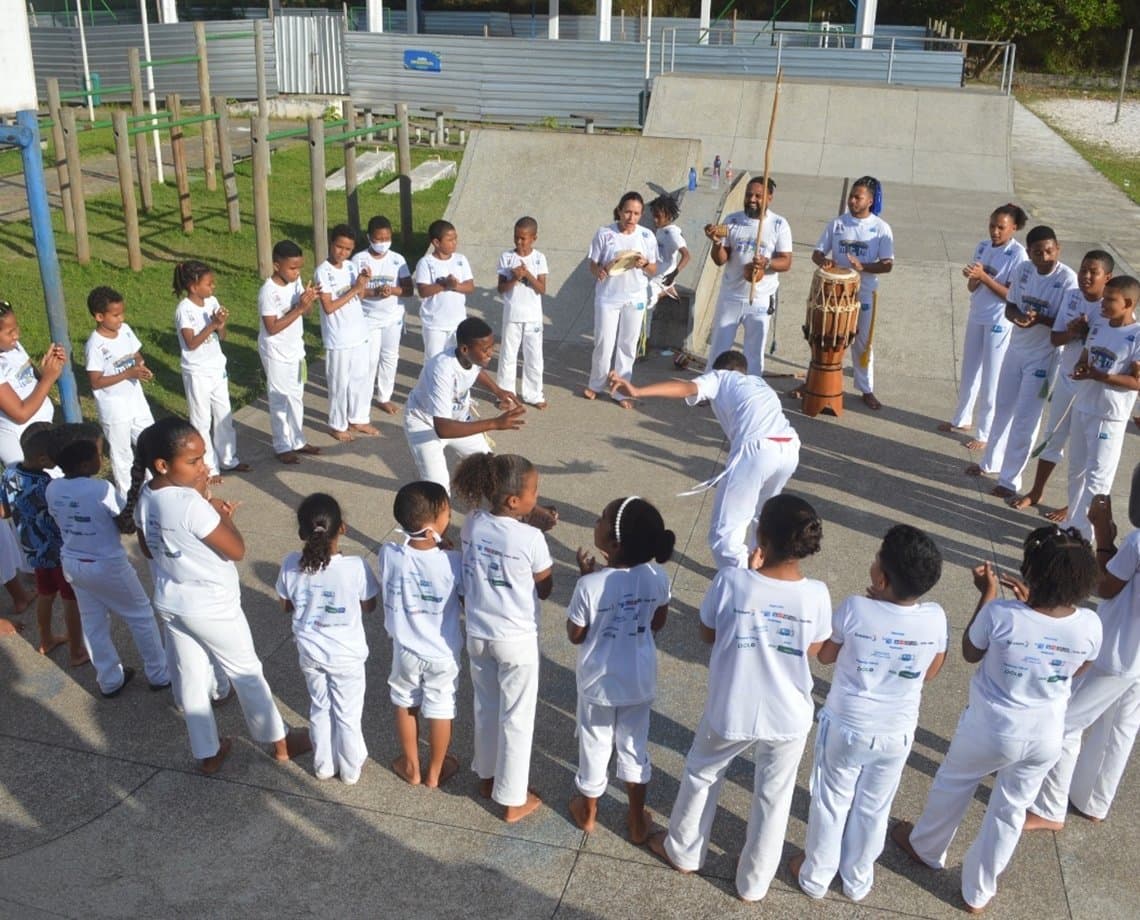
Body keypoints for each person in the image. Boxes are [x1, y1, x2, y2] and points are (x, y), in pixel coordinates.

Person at [891, 526, 1102, 914]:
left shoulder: (1003, 614)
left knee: (954, 784)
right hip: (1045, 734)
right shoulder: (1090, 624)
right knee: (1010, 809)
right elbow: (1079, 667)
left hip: (990, 727)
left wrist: (988, 595)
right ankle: (978, 891)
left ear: (1032, 574)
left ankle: (926, 847)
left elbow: (972, 649)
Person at [649, 495, 831, 902]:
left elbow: (708, 632)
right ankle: (753, 882)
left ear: (761, 536)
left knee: (703, 771)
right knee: (774, 794)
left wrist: (750, 582)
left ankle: (683, 850)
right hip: (790, 712)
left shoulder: (732, 581)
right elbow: (816, 649)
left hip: (732, 705)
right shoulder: (817, 594)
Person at [126, 417, 311, 774]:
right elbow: (236, 549)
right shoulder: (191, 504)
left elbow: (148, 551)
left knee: (192, 678)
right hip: (211, 605)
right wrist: (220, 513)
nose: (204, 467)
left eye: (203, 458)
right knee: (245, 670)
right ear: (163, 464)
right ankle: (281, 740)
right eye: (194, 462)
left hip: (171, 602)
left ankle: (207, 751)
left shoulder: (148, 494)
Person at [791, 525, 946, 902]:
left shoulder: (855, 608)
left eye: (877, 556)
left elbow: (826, 656)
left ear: (882, 576)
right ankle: (859, 879)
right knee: (875, 807)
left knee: (831, 800)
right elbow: (931, 671)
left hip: (847, 725)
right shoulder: (936, 617)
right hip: (897, 732)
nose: (873, 559)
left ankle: (816, 876)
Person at [609, 349, 799, 570]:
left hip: (759, 451)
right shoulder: (760, 384)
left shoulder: (722, 376)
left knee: (724, 536)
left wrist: (638, 391)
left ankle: (742, 584)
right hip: (789, 449)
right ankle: (763, 571)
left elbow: (685, 387)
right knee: (762, 518)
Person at [1023, 488, 1140, 832]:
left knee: (1064, 722)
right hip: (1135, 656)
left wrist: (1103, 531)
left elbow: (1105, 586)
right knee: (1120, 726)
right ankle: (1094, 801)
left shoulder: (1138, 542)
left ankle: (1049, 807)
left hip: (1116, 649)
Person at [566, 496, 673, 843]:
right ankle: (637, 819)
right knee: (633, 745)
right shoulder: (658, 576)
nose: (595, 521)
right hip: (639, 679)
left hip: (598, 683)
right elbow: (657, 621)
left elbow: (575, 635)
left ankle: (589, 812)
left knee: (595, 744)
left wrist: (586, 579)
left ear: (614, 543)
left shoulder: (590, 585)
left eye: (600, 517)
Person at [453, 453, 553, 823]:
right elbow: (545, 589)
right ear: (514, 501)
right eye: (534, 492)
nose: (537, 497)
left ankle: (487, 776)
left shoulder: (472, 522)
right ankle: (512, 799)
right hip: (516, 639)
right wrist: (534, 528)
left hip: (479, 632)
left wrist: (531, 517)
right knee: (517, 718)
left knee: (487, 706)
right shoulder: (532, 538)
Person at [46, 435, 169, 697]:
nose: (100, 460)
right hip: (107, 564)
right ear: (83, 465)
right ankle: (159, 674)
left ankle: (109, 680)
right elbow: (124, 522)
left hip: (72, 563)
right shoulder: (101, 488)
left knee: (93, 622)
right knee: (141, 616)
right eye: (95, 457)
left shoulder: (52, 488)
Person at [966, 227, 1079, 497]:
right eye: (1038, 252)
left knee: (1025, 419)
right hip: (1015, 350)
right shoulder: (1024, 270)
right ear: (1029, 253)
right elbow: (1010, 305)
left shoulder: (1067, 280)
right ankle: (990, 463)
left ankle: (1010, 480)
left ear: (1058, 249)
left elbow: (1064, 327)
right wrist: (1018, 317)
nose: (1045, 256)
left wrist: (1039, 319)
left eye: (1050, 251)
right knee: (1003, 408)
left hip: (1043, 358)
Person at [276, 492, 378, 785]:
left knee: (320, 707)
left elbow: (285, 605)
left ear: (301, 532)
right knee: (348, 712)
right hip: (347, 656)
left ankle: (322, 765)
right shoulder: (356, 566)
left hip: (310, 652)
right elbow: (369, 605)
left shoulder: (290, 563)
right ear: (342, 528)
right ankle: (350, 769)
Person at [1010, 251, 1114, 517]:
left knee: (1084, 454)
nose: (1086, 277)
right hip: (1067, 382)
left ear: (1108, 277)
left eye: (1094, 272)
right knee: (1052, 436)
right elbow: (1056, 339)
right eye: (1083, 270)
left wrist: (1087, 332)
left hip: (1092, 393)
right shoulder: (1072, 296)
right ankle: (1036, 491)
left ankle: (1074, 505)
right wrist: (1072, 331)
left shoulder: (1112, 309)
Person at [379, 480, 463, 788]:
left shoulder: (390, 553)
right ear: (433, 527)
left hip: (405, 648)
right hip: (443, 651)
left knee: (405, 701)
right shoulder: (454, 562)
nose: (449, 515)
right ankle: (435, 772)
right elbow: (465, 598)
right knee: (441, 706)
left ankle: (411, 766)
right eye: (446, 512)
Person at [939, 204, 1029, 449]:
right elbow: (972, 285)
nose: (995, 232)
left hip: (998, 320)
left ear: (1014, 228)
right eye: (992, 226)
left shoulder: (1018, 255)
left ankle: (985, 432)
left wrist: (984, 277)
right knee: (970, 370)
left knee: (992, 376)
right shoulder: (982, 246)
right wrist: (972, 276)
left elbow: (1011, 294)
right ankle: (962, 418)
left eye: (1001, 227)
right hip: (977, 314)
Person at [403, 316, 524, 493]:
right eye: (486, 349)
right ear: (465, 349)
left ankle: (502, 507)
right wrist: (495, 423)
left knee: (489, 465)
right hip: (425, 425)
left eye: (492, 347)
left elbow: (475, 371)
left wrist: (497, 390)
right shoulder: (442, 370)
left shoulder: (470, 357)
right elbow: (443, 429)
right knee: (439, 490)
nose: (491, 353)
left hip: (456, 422)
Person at [1, 425, 86, 669]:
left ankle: (46, 639)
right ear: (43, 459)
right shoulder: (45, 484)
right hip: (57, 551)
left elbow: (4, 510)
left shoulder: (9, 473)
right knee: (70, 599)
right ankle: (76, 650)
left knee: (46, 594)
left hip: (33, 549)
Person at [1062, 276, 1140, 538]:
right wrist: (1082, 370)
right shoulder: (1099, 325)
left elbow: (1137, 382)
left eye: (1110, 299)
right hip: (1084, 406)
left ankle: (1084, 535)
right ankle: (1072, 522)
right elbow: (1085, 358)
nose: (1103, 303)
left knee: (1098, 479)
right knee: (1076, 471)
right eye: (1104, 297)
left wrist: (1102, 376)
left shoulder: (1137, 336)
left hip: (1109, 416)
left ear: (1128, 303)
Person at [812, 176, 894, 410]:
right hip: (834, 293)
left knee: (862, 343)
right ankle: (818, 380)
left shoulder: (880, 228)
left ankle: (866, 388)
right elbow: (817, 253)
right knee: (827, 338)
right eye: (851, 196)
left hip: (864, 294)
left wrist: (863, 267)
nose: (852, 200)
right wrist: (824, 261)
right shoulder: (837, 224)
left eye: (858, 197)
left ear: (870, 201)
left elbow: (888, 264)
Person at [172, 260, 251, 482]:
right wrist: (213, 324)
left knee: (224, 414)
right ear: (193, 286)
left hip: (216, 367)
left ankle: (228, 459)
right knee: (201, 420)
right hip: (197, 372)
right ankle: (208, 467)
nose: (212, 287)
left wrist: (221, 324)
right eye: (209, 283)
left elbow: (221, 337)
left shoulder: (212, 302)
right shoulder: (184, 310)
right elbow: (191, 343)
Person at [705, 177, 792, 375]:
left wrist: (767, 263)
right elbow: (720, 260)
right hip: (731, 296)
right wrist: (717, 243)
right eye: (748, 195)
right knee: (719, 348)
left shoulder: (779, 224)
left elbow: (786, 261)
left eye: (758, 196)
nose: (752, 199)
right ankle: (709, 390)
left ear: (769, 198)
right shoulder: (732, 221)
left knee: (754, 353)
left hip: (760, 298)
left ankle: (752, 392)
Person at [584, 191, 659, 408]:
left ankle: (621, 390)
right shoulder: (604, 233)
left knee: (627, 345)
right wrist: (599, 270)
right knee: (604, 343)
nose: (631, 217)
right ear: (619, 210)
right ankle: (596, 384)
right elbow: (593, 263)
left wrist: (644, 264)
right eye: (627, 212)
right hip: (608, 297)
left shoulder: (647, 237)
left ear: (641, 214)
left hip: (635, 297)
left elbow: (654, 269)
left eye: (636, 213)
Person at [83, 286, 155, 499]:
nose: (120, 319)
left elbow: (135, 354)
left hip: (136, 401)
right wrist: (127, 374)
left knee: (150, 441)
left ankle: (157, 487)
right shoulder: (95, 345)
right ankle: (127, 499)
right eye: (115, 315)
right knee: (122, 455)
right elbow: (95, 382)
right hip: (114, 409)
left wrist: (140, 366)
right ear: (99, 316)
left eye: (122, 313)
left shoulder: (125, 330)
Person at [257, 239, 322, 464]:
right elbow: (272, 327)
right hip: (276, 353)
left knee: (296, 397)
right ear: (277, 266)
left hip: (296, 350)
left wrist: (309, 299)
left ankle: (298, 440)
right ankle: (282, 445)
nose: (297, 272)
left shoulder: (296, 282)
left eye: (299, 268)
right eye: (292, 268)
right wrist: (299, 307)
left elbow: (308, 312)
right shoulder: (268, 292)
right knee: (279, 399)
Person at [315, 224, 378, 442]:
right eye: (339, 247)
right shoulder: (322, 272)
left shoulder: (351, 267)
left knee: (361, 378)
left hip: (358, 332)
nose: (342, 252)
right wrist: (355, 288)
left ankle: (358, 418)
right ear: (331, 244)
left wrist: (365, 284)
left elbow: (359, 296)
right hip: (338, 338)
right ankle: (337, 424)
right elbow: (329, 306)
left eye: (347, 249)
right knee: (339, 383)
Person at [353, 215, 413, 415]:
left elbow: (408, 290)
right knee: (370, 359)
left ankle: (384, 396)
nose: (382, 243)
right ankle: (364, 397)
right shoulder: (359, 260)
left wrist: (392, 291)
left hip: (393, 317)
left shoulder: (398, 260)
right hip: (368, 317)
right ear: (369, 237)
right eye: (378, 239)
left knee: (390, 357)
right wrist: (374, 292)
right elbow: (355, 291)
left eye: (386, 238)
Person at [0, 300, 65, 465]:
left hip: (41, 430)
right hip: (23, 443)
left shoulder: (13, 347)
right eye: (10, 332)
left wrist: (48, 369)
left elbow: (32, 379)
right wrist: (49, 379)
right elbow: (20, 414)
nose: (17, 335)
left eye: (16, 328)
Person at [496, 216, 549, 409]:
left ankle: (534, 394)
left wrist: (527, 275)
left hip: (533, 317)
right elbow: (501, 288)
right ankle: (506, 395)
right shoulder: (506, 257)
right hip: (512, 316)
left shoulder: (539, 258)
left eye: (523, 238)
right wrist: (514, 277)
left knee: (534, 357)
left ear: (533, 238)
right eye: (516, 237)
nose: (519, 242)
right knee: (508, 356)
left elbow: (542, 288)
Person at [413, 219, 475, 361]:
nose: (454, 243)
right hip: (435, 324)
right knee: (434, 361)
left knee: (456, 360)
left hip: (457, 322)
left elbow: (470, 286)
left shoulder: (461, 259)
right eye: (450, 240)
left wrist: (455, 286)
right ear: (436, 242)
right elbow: (423, 291)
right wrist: (443, 285)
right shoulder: (426, 262)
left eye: (455, 239)